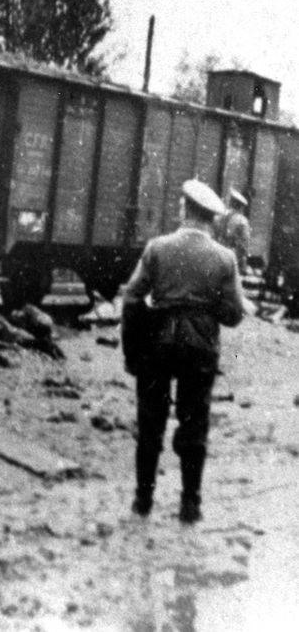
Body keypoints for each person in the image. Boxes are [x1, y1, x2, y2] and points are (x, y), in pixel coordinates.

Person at [121, 179, 244, 524]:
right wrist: (208, 308)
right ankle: (190, 505)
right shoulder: (225, 258)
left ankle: (142, 501)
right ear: (211, 219)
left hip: (156, 346)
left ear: (185, 209)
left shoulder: (157, 248)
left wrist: (132, 352)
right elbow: (234, 315)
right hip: (200, 348)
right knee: (195, 424)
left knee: (150, 423)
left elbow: (131, 297)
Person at [217, 190, 251, 274]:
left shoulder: (219, 217)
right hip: (233, 258)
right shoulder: (242, 221)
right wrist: (243, 265)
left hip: (218, 256)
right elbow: (244, 246)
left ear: (231, 202)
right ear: (241, 206)